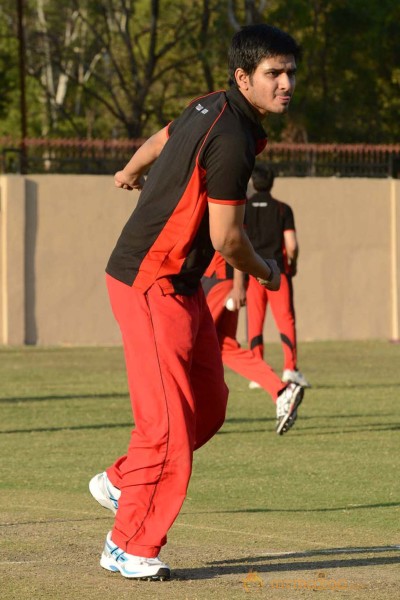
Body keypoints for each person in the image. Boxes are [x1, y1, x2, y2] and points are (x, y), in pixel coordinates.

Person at [89, 24, 302, 581]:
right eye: (273, 74)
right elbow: (231, 239)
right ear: (243, 77)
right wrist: (267, 271)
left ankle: (119, 481)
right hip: (147, 281)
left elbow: (161, 140)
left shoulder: (210, 107)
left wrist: (129, 170)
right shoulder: (230, 137)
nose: (286, 84)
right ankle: (127, 543)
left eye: (290, 73)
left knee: (206, 406)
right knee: (164, 429)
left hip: (179, 286)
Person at [202, 251, 304, 434]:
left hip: (219, 277)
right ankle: (282, 391)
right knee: (225, 347)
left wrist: (239, 285)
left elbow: (233, 239)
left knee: (191, 342)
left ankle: (184, 415)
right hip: (222, 278)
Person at [246, 163, 310, 388]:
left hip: (252, 273)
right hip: (278, 272)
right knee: (285, 320)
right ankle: (290, 369)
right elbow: (291, 245)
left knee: (254, 322)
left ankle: (257, 373)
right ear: (272, 183)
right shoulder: (283, 209)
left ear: (253, 182)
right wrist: (293, 263)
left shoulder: (243, 208)